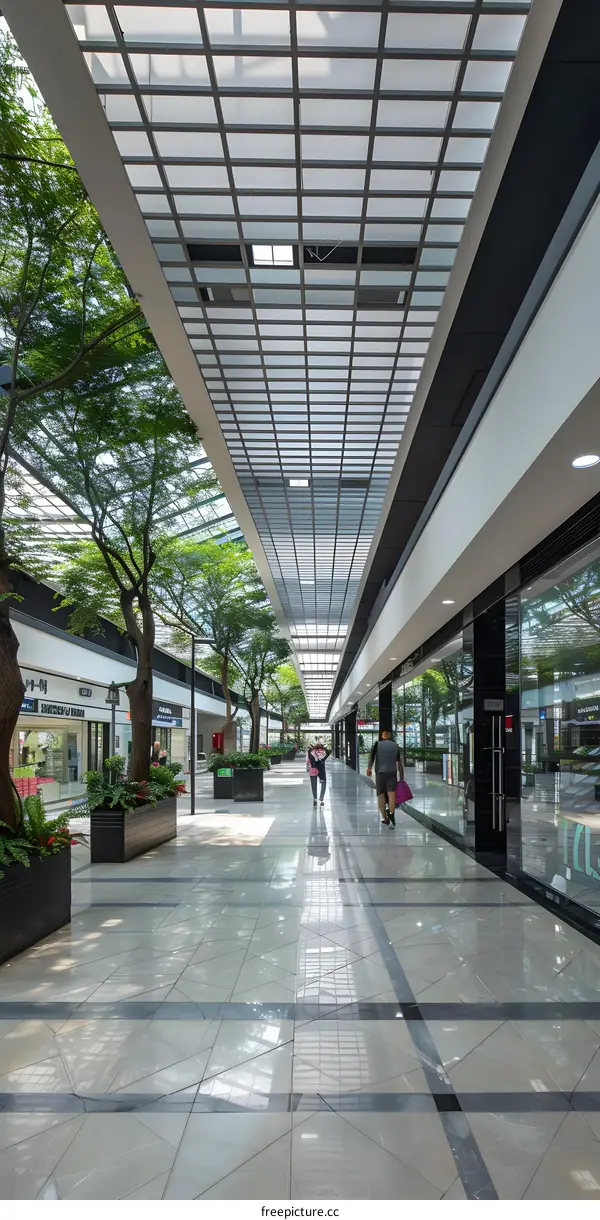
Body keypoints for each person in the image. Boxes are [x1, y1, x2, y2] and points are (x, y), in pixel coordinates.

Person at [367, 730, 403, 826]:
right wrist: (402, 778)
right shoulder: (396, 746)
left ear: (383, 736)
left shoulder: (377, 744)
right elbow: (399, 762)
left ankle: (385, 818)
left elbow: (372, 757)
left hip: (381, 772)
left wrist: (369, 768)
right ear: (390, 736)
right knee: (392, 794)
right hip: (392, 772)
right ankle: (391, 813)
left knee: (381, 795)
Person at [307, 740, 331, 806]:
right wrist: (323, 747)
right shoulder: (324, 752)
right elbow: (329, 751)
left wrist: (313, 748)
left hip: (313, 769)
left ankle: (315, 799)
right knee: (323, 783)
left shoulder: (311, 752)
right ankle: (321, 798)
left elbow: (309, 759)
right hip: (321, 769)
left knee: (313, 784)